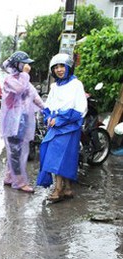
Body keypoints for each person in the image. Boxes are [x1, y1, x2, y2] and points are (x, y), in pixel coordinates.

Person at [36, 52, 87, 202]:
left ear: (68, 67)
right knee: (55, 157)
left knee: (63, 158)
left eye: (61, 66)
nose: (59, 70)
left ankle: (59, 189)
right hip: (56, 127)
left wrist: (61, 119)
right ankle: (67, 188)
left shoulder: (76, 85)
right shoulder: (54, 87)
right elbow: (48, 106)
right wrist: (50, 117)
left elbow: (80, 109)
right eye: (56, 67)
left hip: (70, 128)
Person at [0, 51, 45, 193]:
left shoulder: (23, 79)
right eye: (24, 63)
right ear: (17, 64)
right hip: (13, 121)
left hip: (23, 120)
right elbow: (20, 89)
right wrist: (25, 74)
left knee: (17, 150)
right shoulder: (10, 79)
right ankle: (20, 182)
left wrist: (46, 109)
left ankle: (9, 177)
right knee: (15, 151)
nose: (27, 66)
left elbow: (34, 95)